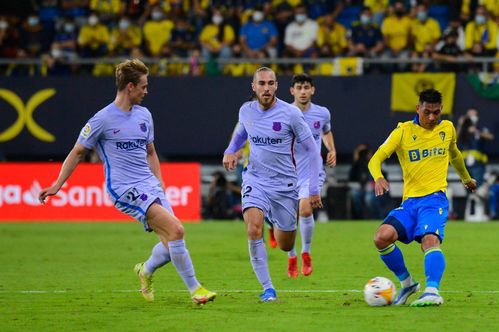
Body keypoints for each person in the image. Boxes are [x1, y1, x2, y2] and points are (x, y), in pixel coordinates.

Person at [37, 59, 216, 305]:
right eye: (143, 86)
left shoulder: (144, 115)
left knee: (171, 242)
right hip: (124, 189)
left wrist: (160, 182)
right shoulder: (102, 119)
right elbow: (78, 152)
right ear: (130, 87)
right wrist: (58, 184)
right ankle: (196, 290)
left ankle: (145, 270)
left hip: (149, 185)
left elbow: (151, 152)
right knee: (177, 231)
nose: (146, 91)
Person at [222, 67, 323, 302]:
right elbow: (240, 133)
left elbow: (312, 150)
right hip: (255, 179)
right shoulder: (246, 110)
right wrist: (230, 150)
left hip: (286, 185)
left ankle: (272, 220)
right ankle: (268, 289)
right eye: (262, 84)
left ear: (276, 86)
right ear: (253, 86)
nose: (266, 88)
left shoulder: (291, 114)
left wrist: (314, 190)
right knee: (252, 228)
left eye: (270, 84)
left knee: (286, 243)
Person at [368, 89, 476, 307]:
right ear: (418, 109)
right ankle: (408, 284)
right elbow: (375, 159)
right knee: (381, 237)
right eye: (427, 112)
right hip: (409, 203)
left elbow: (454, 155)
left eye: (436, 112)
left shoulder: (447, 129)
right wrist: (378, 177)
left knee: (430, 240)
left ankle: (432, 290)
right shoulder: (402, 132)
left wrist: (466, 178)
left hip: (434, 199)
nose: (432, 117)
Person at [284, 73, 336, 278]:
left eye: (307, 87)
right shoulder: (284, 113)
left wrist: (331, 149)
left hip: (311, 171)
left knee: (305, 210)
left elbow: (326, 131)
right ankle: (291, 255)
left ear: (312, 89)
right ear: (292, 91)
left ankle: (305, 252)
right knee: (287, 219)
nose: (303, 91)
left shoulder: (322, 113)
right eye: (299, 88)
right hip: (286, 172)